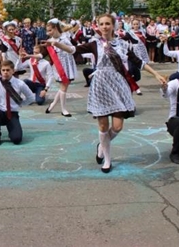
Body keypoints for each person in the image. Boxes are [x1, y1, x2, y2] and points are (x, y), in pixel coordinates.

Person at [51, 14, 166, 173]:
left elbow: (140, 63)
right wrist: (56, 43)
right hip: (100, 85)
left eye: (107, 24)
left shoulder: (123, 44)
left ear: (113, 25)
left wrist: (156, 75)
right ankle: (107, 159)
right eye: (101, 24)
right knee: (103, 125)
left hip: (119, 85)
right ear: (98, 26)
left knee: (117, 127)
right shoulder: (94, 44)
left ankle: (101, 146)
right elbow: (72, 49)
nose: (104, 27)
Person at [43, 18, 77, 117]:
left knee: (64, 86)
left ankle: (53, 105)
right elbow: (44, 54)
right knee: (64, 86)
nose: (48, 33)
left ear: (56, 28)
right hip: (59, 65)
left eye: (50, 30)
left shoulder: (64, 37)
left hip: (68, 63)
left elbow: (71, 48)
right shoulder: (50, 41)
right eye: (47, 30)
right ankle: (63, 109)